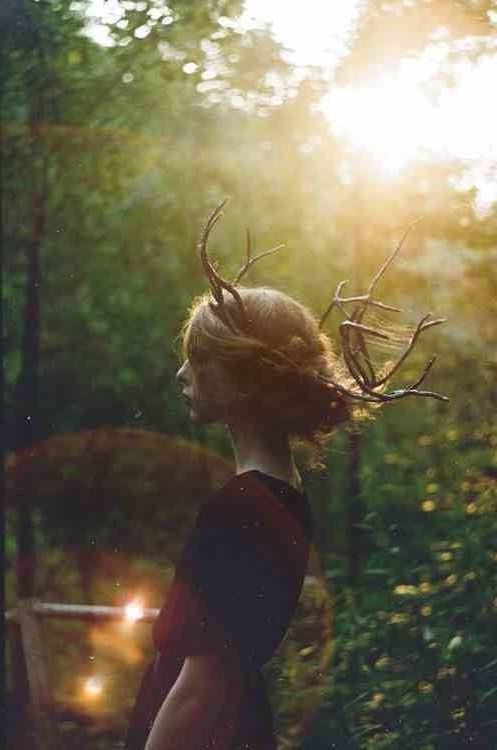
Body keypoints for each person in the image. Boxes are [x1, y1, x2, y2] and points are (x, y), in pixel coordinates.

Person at [124, 203, 446, 750]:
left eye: (200, 360)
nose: (182, 372)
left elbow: (201, 688)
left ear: (245, 379)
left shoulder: (243, 507)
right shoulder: (279, 495)